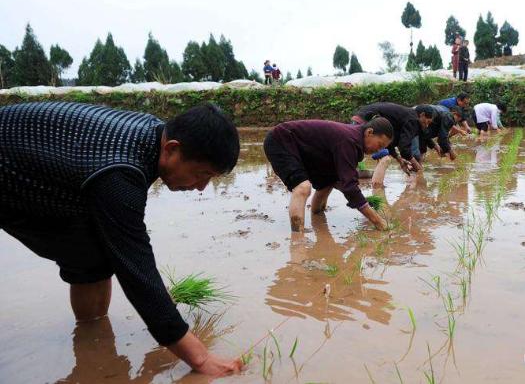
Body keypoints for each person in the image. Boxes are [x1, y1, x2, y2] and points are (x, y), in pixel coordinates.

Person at [0, 101, 242, 377]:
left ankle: (91, 342)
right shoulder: (120, 172)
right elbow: (136, 267)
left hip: (34, 161)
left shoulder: (151, 133)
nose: (201, 187)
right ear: (172, 149)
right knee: (110, 253)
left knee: (91, 250)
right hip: (8, 169)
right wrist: (200, 359)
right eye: (202, 175)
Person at [263, 117, 394, 233]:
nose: (379, 150)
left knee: (329, 182)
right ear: (369, 132)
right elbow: (350, 187)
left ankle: (317, 217)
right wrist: (377, 221)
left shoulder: (353, 139)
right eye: (380, 145)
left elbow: (345, 182)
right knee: (303, 187)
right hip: (281, 140)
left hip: (305, 151)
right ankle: (298, 238)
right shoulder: (349, 140)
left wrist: (351, 191)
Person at [351, 102, 434, 186]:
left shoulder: (404, 119)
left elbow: (388, 143)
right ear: (422, 115)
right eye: (427, 122)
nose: (426, 125)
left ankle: (366, 182)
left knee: (361, 156)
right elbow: (404, 147)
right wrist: (416, 164)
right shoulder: (413, 120)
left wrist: (399, 160)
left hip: (360, 119)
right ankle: (377, 189)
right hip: (366, 119)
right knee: (384, 158)